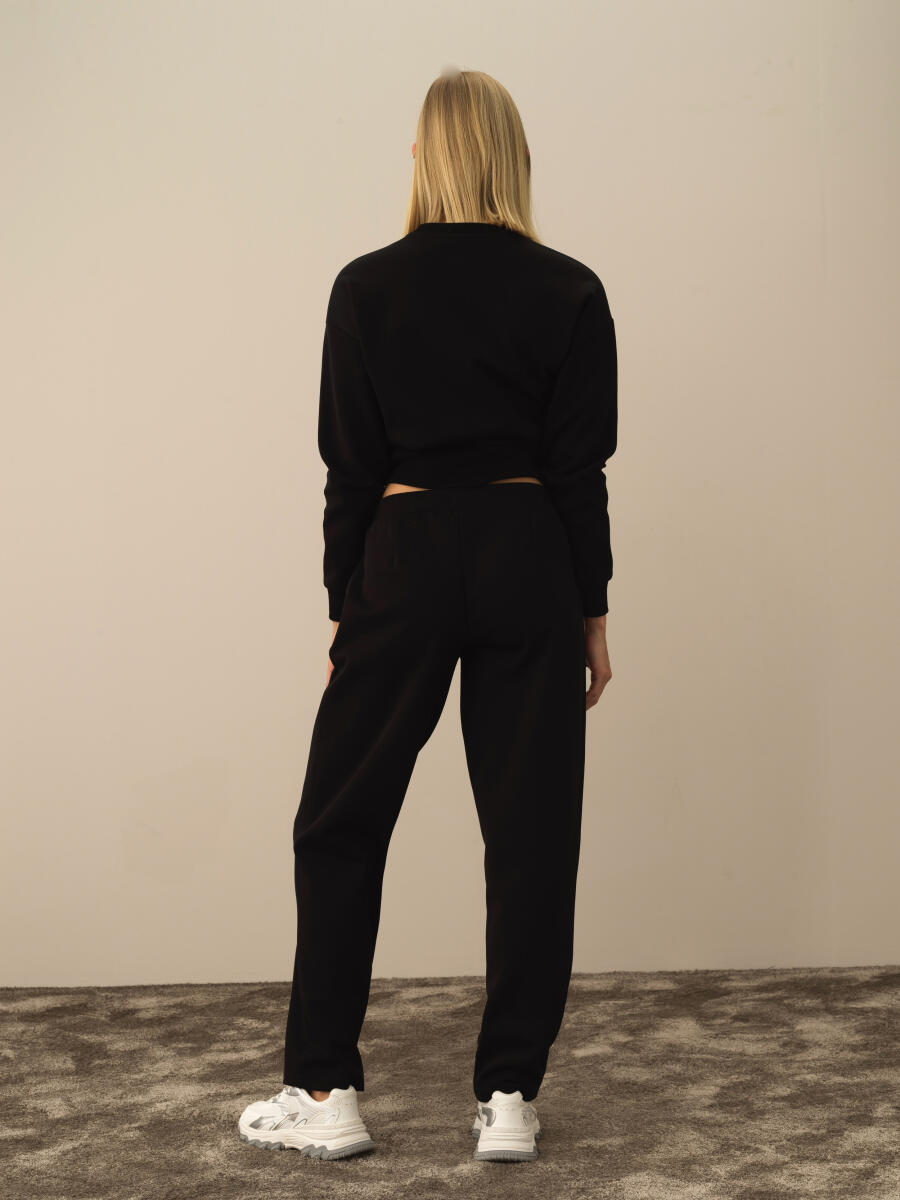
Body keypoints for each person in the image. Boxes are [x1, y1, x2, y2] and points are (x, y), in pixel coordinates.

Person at [237, 66, 617, 1164]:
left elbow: (349, 467)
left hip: (403, 556)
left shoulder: (365, 288)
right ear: (514, 159)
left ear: (424, 157)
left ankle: (324, 1091)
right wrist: (592, 609)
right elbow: (579, 469)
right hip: (528, 552)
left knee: (342, 820)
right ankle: (509, 1098)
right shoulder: (571, 290)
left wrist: (343, 606)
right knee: (532, 832)